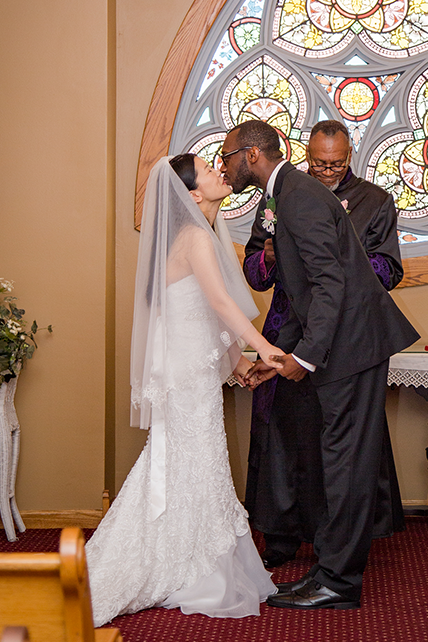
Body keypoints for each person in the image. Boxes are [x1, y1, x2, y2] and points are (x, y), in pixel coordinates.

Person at [220, 120, 419, 610]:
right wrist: (280, 356)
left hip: (351, 346)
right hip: (340, 342)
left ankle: (338, 583)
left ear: (250, 155)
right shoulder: (289, 192)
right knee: (336, 462)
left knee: (345, 465)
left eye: (226, 156)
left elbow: (331, 284)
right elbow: (302, 287)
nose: (223, 166)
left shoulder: (297, 196)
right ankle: (328, 573)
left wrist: (304, 357)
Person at [86, 154, 284, 624]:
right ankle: (178, 562)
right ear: (192, 194)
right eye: (209, 170)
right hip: (186, 375)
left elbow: (202, 311)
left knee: (189, 461)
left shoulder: (198, 234)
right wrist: (264, 346)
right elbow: (217, 300)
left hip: (191, 369)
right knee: (191, 458)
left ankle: (185, 555)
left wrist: (238, 360)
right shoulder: (194, 236)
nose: (220, 171)